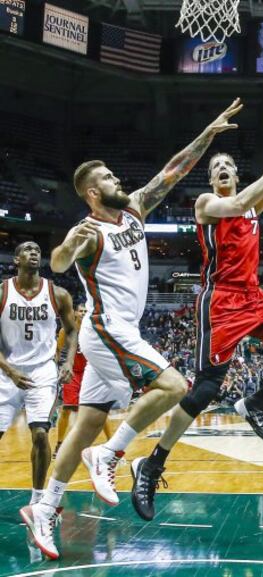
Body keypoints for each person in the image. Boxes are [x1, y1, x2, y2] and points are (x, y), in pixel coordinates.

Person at [20, 98, 243, 559]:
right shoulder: (87, 230)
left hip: (119, 329)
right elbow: (59, 261)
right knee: (175, 385)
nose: (117, 180)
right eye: (107, 178)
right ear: (91, 192)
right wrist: (65, 248)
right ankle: (113, 455)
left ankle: (45, 506)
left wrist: (208, 133)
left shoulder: (136, 208)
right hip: (106, 328)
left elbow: (173, 170)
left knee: (85, 426)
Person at [129, 96, 263, 522]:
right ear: (212, 179)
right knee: (205, 390)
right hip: (220, 300)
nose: (221, 171)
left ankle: (261, 399)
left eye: (227, 166)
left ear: (237, 173)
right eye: (215, 168)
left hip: (254, 297)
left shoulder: (253, 207)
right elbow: (243, 201)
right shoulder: (207, 205)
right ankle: (151, 465)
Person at [0, 241, 77, 506]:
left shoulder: (57, 294)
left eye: (38, 250)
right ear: (16, 259)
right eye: (28, 249)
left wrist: (67, 361)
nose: (35, 252)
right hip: (6, 372)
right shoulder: (2, 292)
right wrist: (9, 371)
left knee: (41, 434)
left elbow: (72, 329)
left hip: (43, 373)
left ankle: (37, 500)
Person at [53, 301, 111, 458]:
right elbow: (58, 350)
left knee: (100, 409)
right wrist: (55, 368)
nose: (84, 313)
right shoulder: (66, 330)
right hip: (73, 373)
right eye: (81, 311)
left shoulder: (94, 330)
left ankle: (112, 446)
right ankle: (59, 445)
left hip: (91, 372)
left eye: (86, 311)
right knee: (66, 410)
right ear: (75, 313)